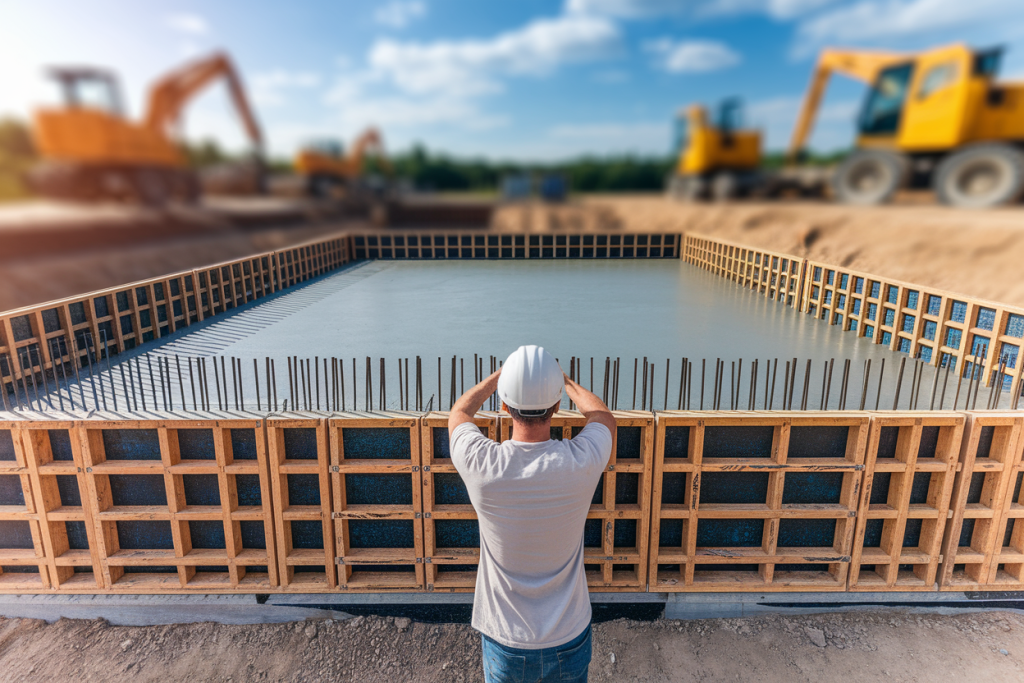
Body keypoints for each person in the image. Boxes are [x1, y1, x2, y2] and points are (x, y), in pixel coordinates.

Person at [449, 345, 616, 683]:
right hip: (569, 634)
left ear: (504, 404)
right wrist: (565, 381)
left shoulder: (483, 465)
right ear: (556, 405)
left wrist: (498, 378)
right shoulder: (580, 461)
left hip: (505, 639)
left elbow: (459, 414)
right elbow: (603, 418)